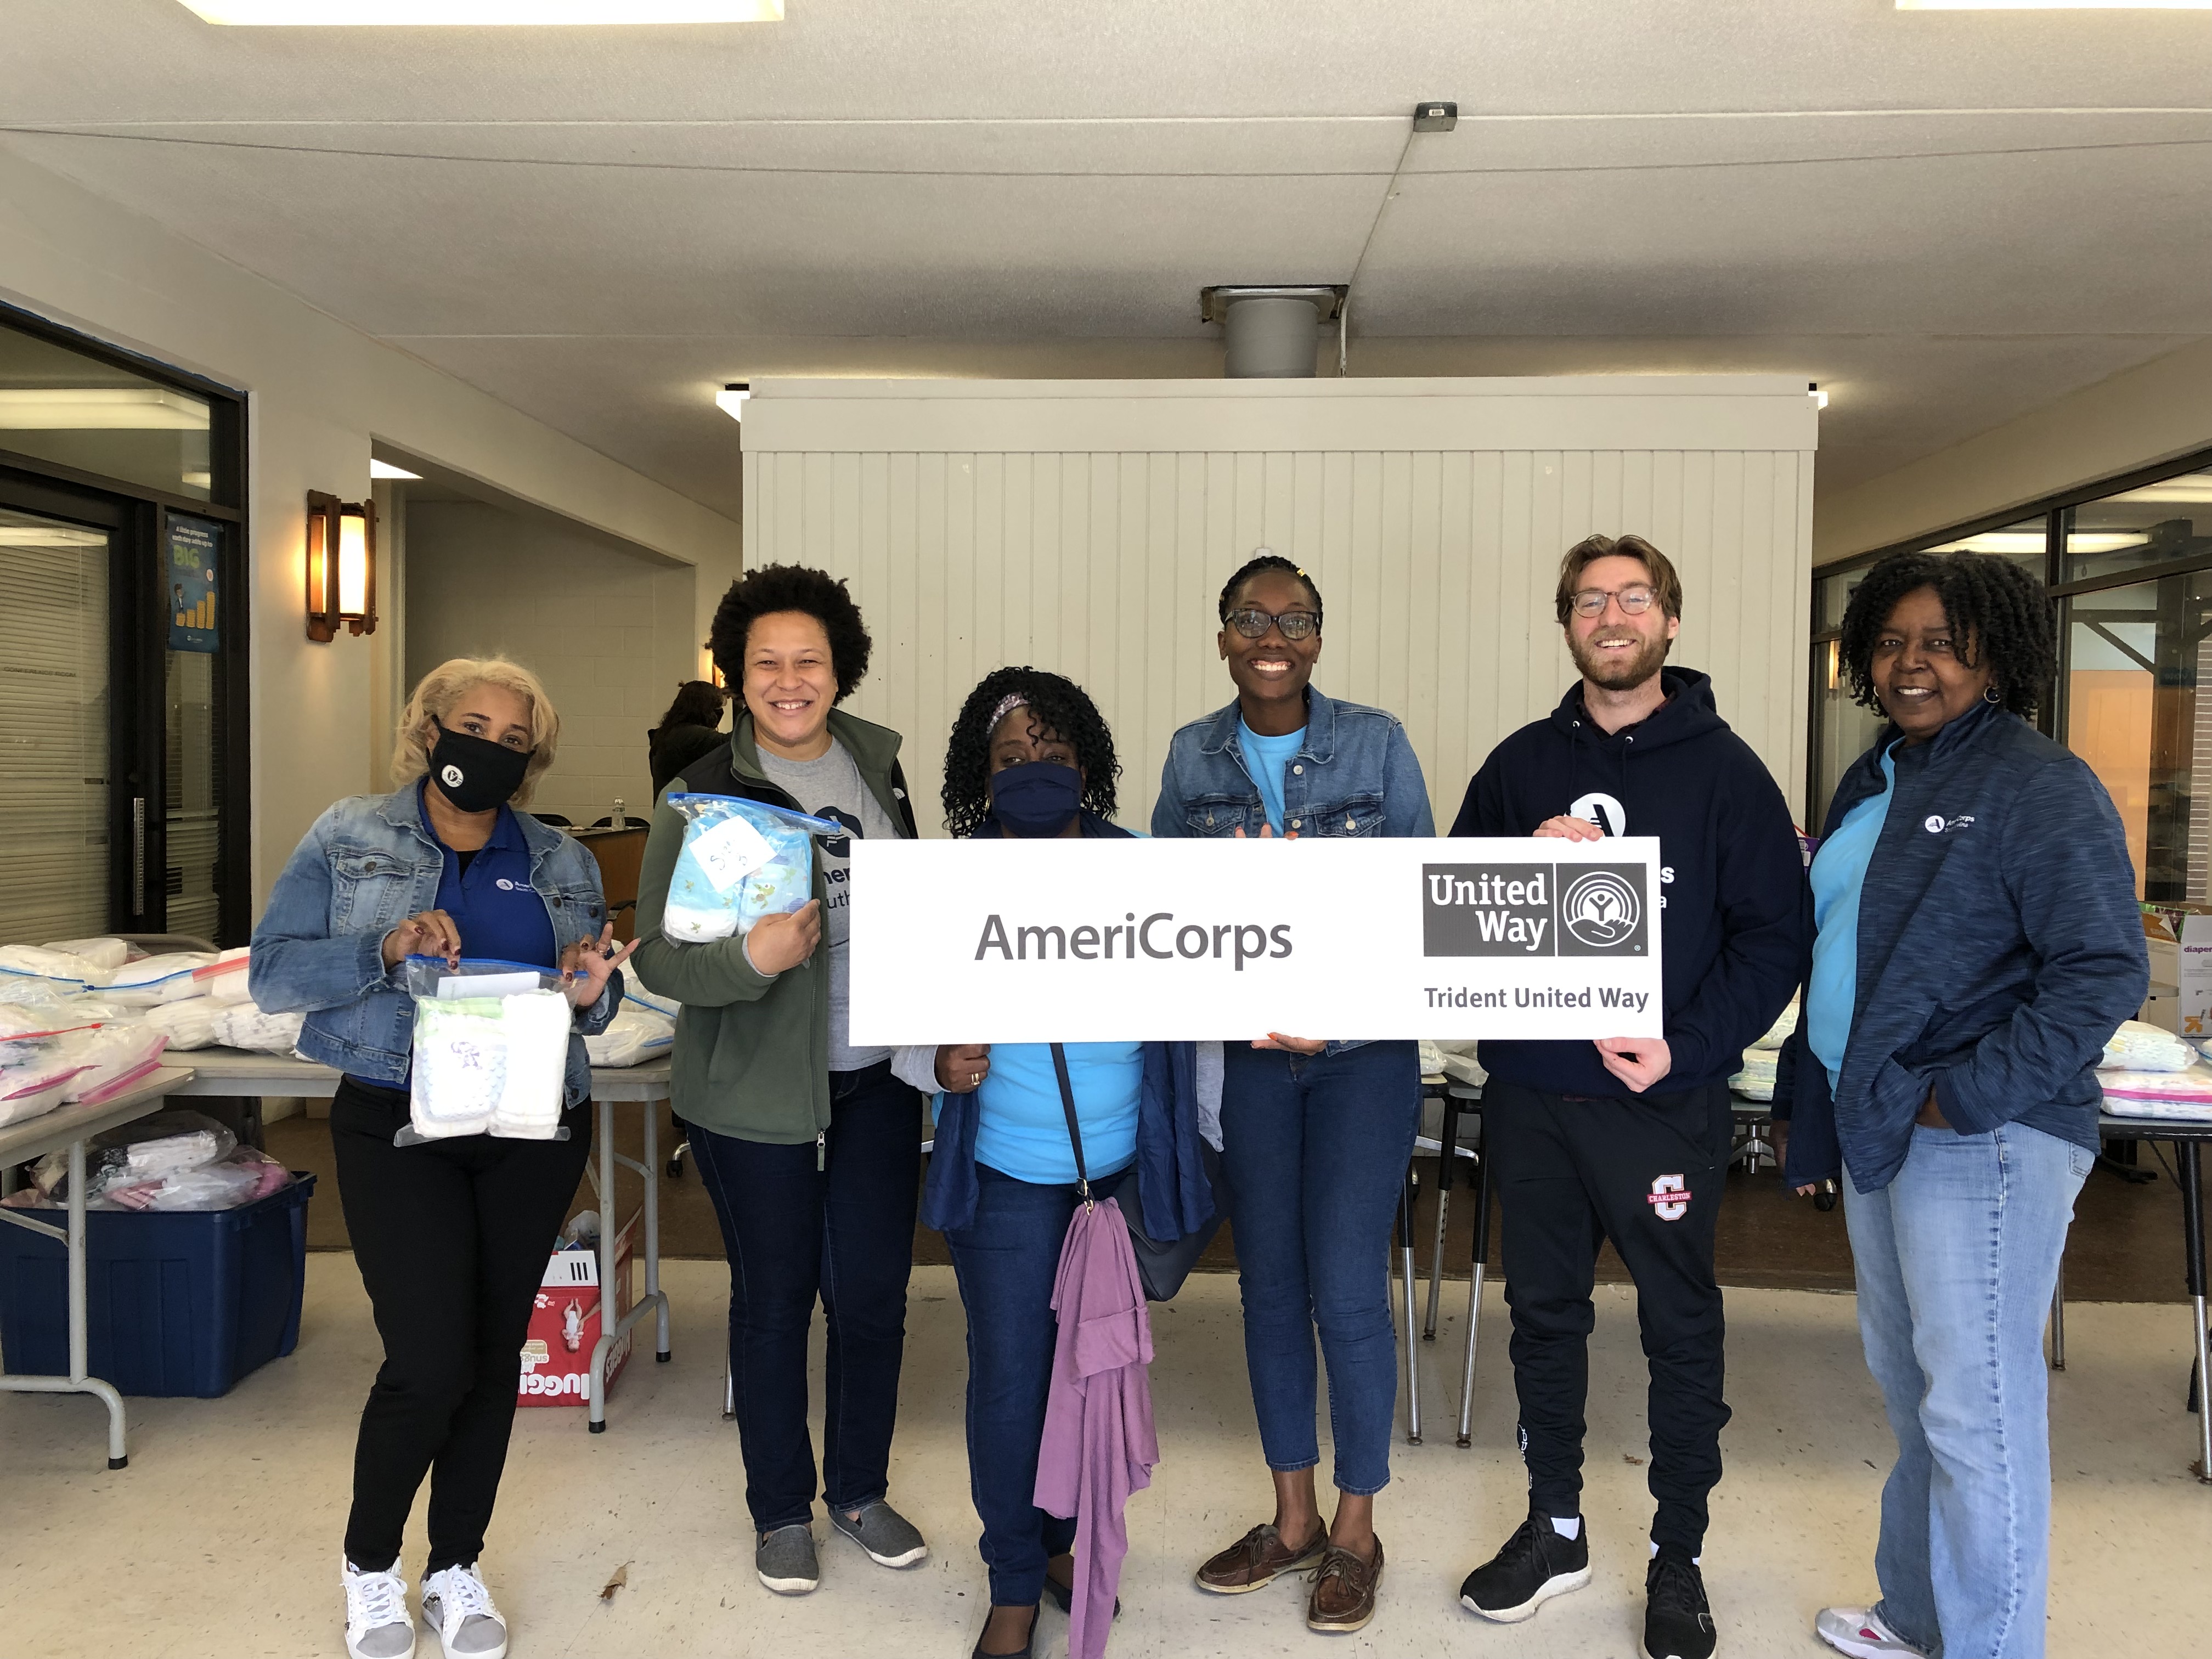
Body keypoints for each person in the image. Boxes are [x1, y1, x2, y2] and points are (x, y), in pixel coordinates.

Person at [1775, 551, 2146, 1659]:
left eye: (1942, 641)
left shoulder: (2039, 782)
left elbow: (2101, 968)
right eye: (1890, 642)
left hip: (1978, 1137)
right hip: (1881, 1115)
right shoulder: (1876, 775)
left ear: (1997, 653)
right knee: (1915, 1391)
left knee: (1976, 1413)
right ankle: (1920, 1615)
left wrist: (1967, 1095)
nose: (1911, 664)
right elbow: (1838, 944)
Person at [1448, 533, 1805, 1659]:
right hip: (1535, 1098)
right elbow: (1450, 920)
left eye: (1635, 597)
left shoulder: (1728, 770)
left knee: (1679, 1322)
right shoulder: (1516, 765)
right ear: (1566, 624)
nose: (1613, 615)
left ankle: (1678, 1555)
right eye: (1591, 600)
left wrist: (1687, 1047)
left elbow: (1774, 938)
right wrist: (1521, 866)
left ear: (1670, 622)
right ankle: (1556, 1526)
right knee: (1542, 1315)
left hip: (1662, 1099)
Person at [251, 657, 633, 1659]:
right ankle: (371, 1566)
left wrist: (592, 989)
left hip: (529, 1127)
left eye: (515, 740)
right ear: (427, 729)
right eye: (473, 726)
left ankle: (456, 1563)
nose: (492, 749)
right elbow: (272, 969)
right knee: (428, 1361)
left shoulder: (562, 858)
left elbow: (589, 1003)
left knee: (492, 1355)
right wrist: (382, 944)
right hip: (395, 1119)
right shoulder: (349, 833)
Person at [893, 667, 1217, 1659]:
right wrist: (936, 1061)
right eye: (1008, 756)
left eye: (1052, 751)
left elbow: (1195, 1004)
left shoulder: (1144, 868)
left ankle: (1067, 1541)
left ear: (1089, 762)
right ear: (976, 776)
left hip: (1114, 1177)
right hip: (1004, 1179)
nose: (1032, 767)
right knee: (1009, 1382)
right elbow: (902, 1026)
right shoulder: (949, 879)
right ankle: (1012, 1575)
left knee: (1094, 1376)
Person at [630, 563, 930, 1598]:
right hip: (752, 1096)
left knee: (875, 1299)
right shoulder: (698, 797)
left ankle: (857, 1487)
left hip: (877, 1081)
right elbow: (660, 959)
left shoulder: (881, 769)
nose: (790, 680)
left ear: (840, 670)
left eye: (809, 660)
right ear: (736, 675)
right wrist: (749, 962)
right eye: (767, 663)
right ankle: (778, 1508)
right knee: (771, 1303)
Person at [1153, 550, 1432, 1637]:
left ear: (1321, 634)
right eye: (1250, 618)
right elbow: (1165, 919)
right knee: (1268, 1288)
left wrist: (1344, 1007)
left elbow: (1421, 905)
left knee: (1347, 1290)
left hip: (1362, 1059)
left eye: (1296, 618)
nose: (1274, 635)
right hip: (1253, 1061)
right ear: (1221, 635)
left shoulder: (1377, 741)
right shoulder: (1191, 755)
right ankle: (1294, 1522)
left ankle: (1359, 1531)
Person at [647, 679, 729, 800]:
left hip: (672, 811)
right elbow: (734, 743)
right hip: (684, 813)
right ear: (707, 709)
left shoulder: (670, 733)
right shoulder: (691, 735)